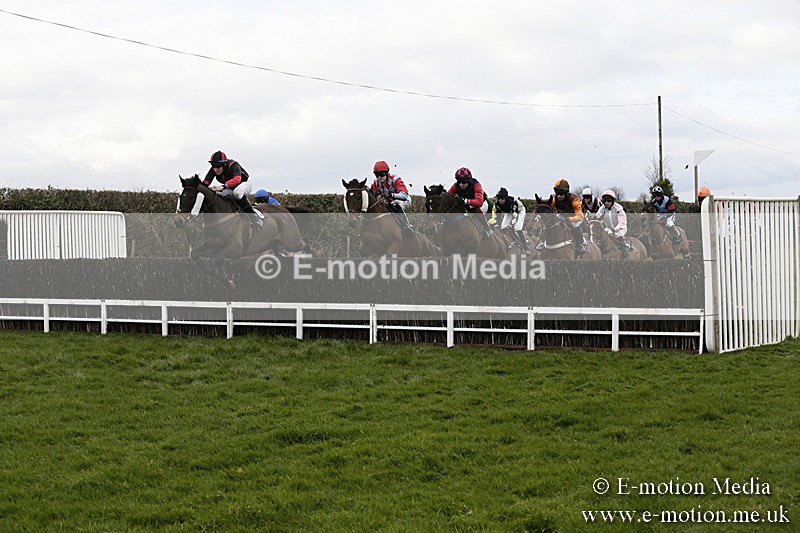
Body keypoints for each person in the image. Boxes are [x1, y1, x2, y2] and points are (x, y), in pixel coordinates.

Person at [203, 150, 263, 227]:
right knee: (217, 195)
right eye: (214, 166)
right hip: (230, 188)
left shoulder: (233, 164)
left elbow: (237, 179)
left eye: (218, 166)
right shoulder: (213, 170)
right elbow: (205, 183)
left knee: (237, 193)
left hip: (243, 184)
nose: (216, 169)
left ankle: (254, 216)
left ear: (224, 164)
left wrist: (223, 187)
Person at [447, 167, 493, 237]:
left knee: (475, 209)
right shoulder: (455, 186)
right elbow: (448, 196)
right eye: (459, 181)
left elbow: (479, 202)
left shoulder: (476, 185)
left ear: (468, 180)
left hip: (481, 204)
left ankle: (487, 229)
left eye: (464, 182)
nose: (461, 184)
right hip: (467, 203)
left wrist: (465, 200)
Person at [370, 160, 413, 234]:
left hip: (402, 200)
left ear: (387, 173)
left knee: (396, 204)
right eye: (377, 175)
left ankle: (407, 226)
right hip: (388, 202)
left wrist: (391, 195)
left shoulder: (395, 179)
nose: (379, 177)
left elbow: (404, 195)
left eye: (382, 174)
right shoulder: (375, 183)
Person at [547, 179, 586, 253]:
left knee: (575, 225)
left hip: (575, 218)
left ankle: (580, 244)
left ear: (565, 193)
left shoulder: (574, 200)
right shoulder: (554, 199)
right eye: (557, 194)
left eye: (561, 194)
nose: (559, 196)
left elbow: (580, 217)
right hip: (562, 216)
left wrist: (569, 219)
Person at [595, 189, 631, 257]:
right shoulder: (602, 209)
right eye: (604, 201)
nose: (606, 203)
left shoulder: (619, 209)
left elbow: (622, 223)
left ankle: (626, 254)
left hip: (620, 228)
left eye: (608, 201)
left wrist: (614, 230)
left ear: (612, 201)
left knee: (618, 236)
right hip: (608, 228)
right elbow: (597, 218)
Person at [495, 187, 530, 253]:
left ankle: (525, 247)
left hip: (519, 211)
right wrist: (497, 224)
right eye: (498, 198)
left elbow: (515, 216)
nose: (500, 200)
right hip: (510, 212)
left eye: (502, 198)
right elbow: (498, 215)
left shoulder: (512, 203)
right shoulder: (497, 204)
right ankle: (514, 240)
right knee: (503, 228)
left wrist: (511, 225)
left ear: (506, 198)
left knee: (517, 228)